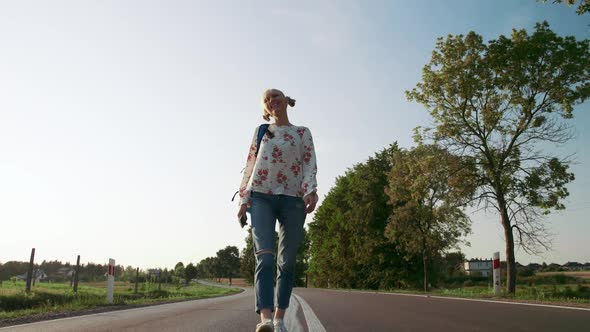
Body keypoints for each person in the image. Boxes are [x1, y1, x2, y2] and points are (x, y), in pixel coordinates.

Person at [237, 89, 318, 332]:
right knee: (265, 256)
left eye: (276, 96)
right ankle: (265, 319)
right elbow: (249, 165)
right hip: (261, 197)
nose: (273, 100)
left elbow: (309, 163)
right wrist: (243, 199)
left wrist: (311, 190)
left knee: (288, 262)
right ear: (266, 108)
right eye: (267, 98)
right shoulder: (261, 132)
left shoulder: (302, 132)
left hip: (293, 200)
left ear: (286, 101)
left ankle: (280, 319)